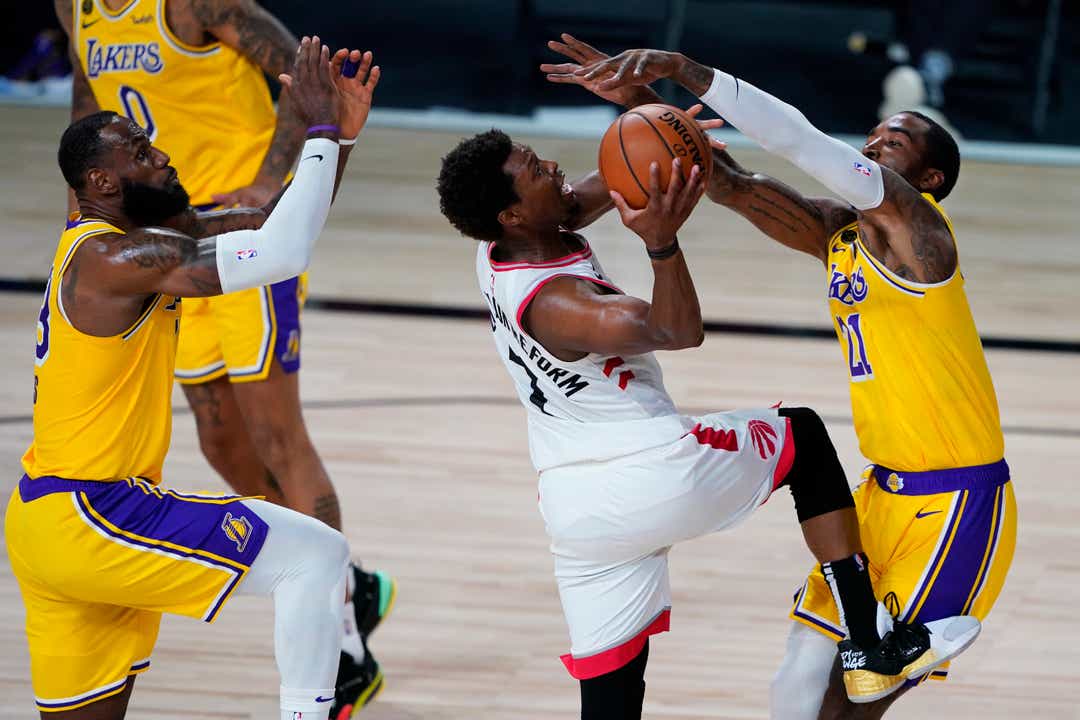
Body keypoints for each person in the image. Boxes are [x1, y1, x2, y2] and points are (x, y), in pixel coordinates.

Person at [436, 116, 979, 716]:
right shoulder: (559, 303)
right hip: (650, 471)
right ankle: (868, 643)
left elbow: (604, 185)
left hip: (576, 513)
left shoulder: (500, 243)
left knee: (612, 697)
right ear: (513, 214)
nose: (554, 168)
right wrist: (661, 243)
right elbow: (676, 330)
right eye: (536, 171)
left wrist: (660, 129)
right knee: (801, 436)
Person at [544, 35, 1016, 719]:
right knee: (795, 685)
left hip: (956, 501)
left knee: (854, 697)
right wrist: (642, 106)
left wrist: (683, 70)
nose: (875, 143)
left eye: (896, 141)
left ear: (931, 180)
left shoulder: (927, 240)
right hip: (879, 493)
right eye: (874, 134)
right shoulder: (838, 235)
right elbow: (732, 184)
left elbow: (799, 142)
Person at [6, 37, 378, 720]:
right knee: (315, 558)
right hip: (96, 513)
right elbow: (283, 252)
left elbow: (273, 224)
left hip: (44, 522)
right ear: (104, 183)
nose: (162, 155)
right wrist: (318, 127)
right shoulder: (123, 259)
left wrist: (340, 140)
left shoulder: (124, 248)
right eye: (141, 152)